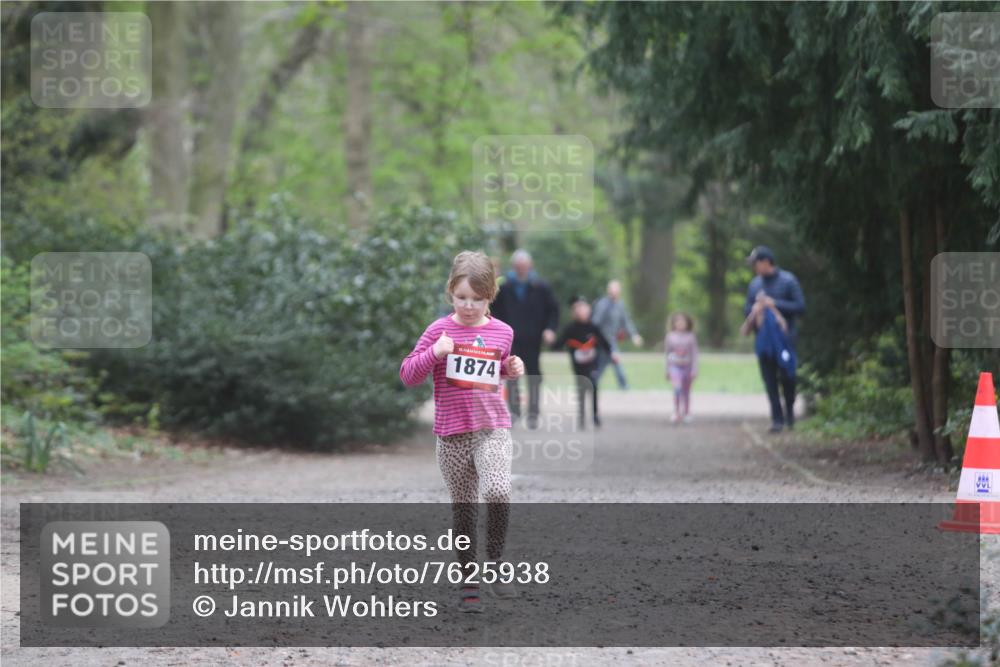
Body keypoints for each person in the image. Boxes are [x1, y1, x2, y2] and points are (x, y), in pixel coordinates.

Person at [399, 250, 526, 612]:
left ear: (490, 297)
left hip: (492, 429)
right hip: (452, 435)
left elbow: (490, 372)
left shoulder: (503, 332)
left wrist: (510, 367)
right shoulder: (438, 330)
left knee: (499, 490)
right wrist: (435, 353)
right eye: (461, 298)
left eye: (477, 299)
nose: (469, 306)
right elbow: (408, 375)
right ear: (450, 294)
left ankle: (497, 564)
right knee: (465, 509)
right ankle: (469, 580)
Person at [490, 249, 559, 429]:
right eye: (518, 267)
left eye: (524, 266)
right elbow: (494, 312)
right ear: (513, 267)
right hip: (510, 340)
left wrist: (550, 329)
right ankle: (514, 411)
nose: (521, 269)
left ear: (530, 266)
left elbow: (553, 310)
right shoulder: (504, 288)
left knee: (534, 375)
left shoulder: (540, 287)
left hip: (533, 339)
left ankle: (534, 413)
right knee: (511, 374)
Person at [743, 245, 805, 433]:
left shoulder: (788, 280)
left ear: (765, 262)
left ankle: (790, 415)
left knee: (788, 376)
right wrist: (755, 310)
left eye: (756, 263)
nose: (754, 268)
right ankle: (777, 419)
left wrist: (775, 303)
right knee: (769, 379)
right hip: (763, 340)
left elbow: (800, 307)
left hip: (785, 339)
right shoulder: (755, 284)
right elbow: (746, 310)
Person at [552, 296, 615, 429]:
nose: (581, 311)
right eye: (577, 309)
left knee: (593, 386)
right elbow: (558, 345)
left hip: (592, 364)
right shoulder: (570, 329)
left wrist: (612, 353)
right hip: (578, 366)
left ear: (588, 310)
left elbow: (604, 343)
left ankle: (595, 415)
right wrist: (550, 341)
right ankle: (581, 416)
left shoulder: (593, 327)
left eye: (583, 308)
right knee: (581, 389)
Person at [592, 280, 643, 390]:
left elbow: (626, 321)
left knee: (603, 364)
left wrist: (634, 335)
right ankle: (624, 386)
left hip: (612, 340)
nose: (614, 292)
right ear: (608, 290)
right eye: (611, 289)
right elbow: (595, 323)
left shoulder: (620, 304)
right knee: (611, 362)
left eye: (616, 289)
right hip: (602, 340)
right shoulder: (602, 304)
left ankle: (593, 384)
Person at [665, 312, 699, 424]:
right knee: (677, 388)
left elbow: (694, 354)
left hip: (687, 368)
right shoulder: (670, 336)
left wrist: (694, 369)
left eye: (683, 321)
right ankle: (676, 412)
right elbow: (667, 354)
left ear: (687, 323)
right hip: (674, 367)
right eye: (678, 321)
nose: (680, 323)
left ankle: (687, 412)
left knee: (686, 391)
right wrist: (667, 370)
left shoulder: (690, 337)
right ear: (674, 323)